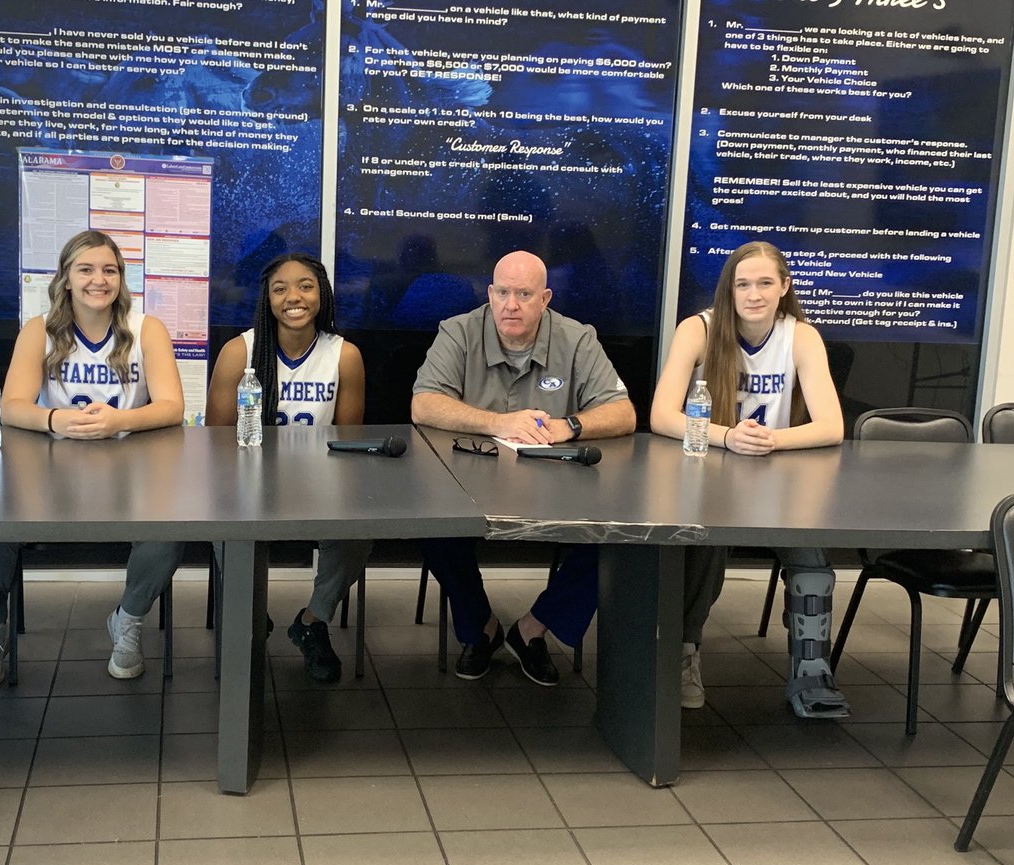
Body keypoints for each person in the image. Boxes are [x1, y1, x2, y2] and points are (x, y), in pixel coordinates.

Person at [0, 230, 186, 687]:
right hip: (50, 475)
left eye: (109, 270)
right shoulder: (40, 329)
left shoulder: (148, 328)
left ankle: (128, 618)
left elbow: (172, 407)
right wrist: (54, 420)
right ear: (66, 278)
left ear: (121, 278)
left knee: (171, 527)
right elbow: (10, 406)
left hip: (131, 472)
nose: (98, 280)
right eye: (85, 269)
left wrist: (117, 421)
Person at [411, 250, 636, 685]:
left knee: (618, 536)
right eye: (502, 292)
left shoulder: (577, 339)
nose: (510, 305)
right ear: (490, 293)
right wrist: (498, 421)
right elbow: (423, 404)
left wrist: (570, 425)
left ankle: (534, 628)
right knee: (433, 529)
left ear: (545, 298)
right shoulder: (458, 331)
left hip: (558, 487)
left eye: (524, 294)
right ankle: (482, 629)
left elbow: (623, 413)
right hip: (466, 482)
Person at [650, 240, 848, 719]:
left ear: (784, 287)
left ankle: (811, 670)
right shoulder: (698, 329)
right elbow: (660, 415)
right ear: (729, 289)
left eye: (764, 283)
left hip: (778, 480)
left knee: (812, 560)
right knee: (703, 545)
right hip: (711, 477)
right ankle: (685, 650)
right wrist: (726, 437)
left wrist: (772, 442)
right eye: (742, 284)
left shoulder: (801, 336)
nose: (753, 293)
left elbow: (833, 426)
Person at [206, 252, 371, 684]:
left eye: (305, 286)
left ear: (322, 295)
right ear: (267, 298)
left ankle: (313, 621)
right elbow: (216, 442)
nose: (293, 297)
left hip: (321, 486)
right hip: (251, 485)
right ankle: (250, 617)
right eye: (280, 288)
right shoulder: (238, 352)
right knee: (226, 526)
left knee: (360, 531)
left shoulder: (345, 356)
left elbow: (348, 443)